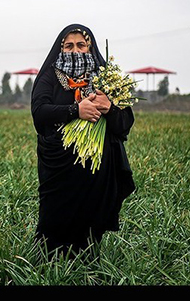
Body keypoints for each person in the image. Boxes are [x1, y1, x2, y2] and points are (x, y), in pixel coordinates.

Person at [31, 24, 135, 261]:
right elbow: (39, 111)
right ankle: (48, 260)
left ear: (90, 48)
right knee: (54, 217)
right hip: (59, 162)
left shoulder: (106, 78)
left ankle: (87, 260)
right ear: (61, 49)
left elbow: (125, 122)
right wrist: (75, 110)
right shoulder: (50, 76)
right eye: (69, 46)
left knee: (91, 217)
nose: (75, 50)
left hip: (97, 164)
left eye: (81, 45)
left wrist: (109, 107)